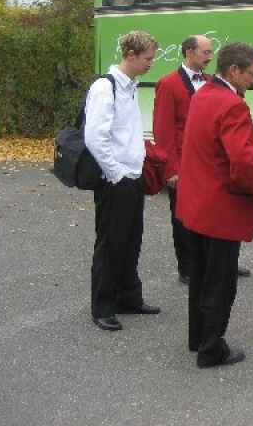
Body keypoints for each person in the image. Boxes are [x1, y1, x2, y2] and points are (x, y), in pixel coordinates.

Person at [177, 42, 253, 368]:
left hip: (196, 203)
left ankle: (198, 337)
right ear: (234, 71)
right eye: (250, 73)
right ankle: (212, 349)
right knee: (220, 282)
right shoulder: (232, 105)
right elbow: (244, 162)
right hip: (221, 208)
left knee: (200, 276)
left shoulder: (202, 95)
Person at [152, 35, 253, 284]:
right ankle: (188, 267)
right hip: (183, 165)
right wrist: (170, 169)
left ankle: (222, 262)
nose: (210, 57)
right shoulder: (168, 83)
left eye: (211, 53)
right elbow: (163, 129)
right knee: (183, 218)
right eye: (205, 52)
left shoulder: (212, 82)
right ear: (189, 52)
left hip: (207, 164)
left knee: (216, 215)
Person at [84, 30, 161, 331]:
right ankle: (103, 306)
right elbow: (95, 137)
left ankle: (129, 297)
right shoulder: (106, 87)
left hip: (132, 176)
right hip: (116, 179)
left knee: (131, 241)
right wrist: (116, 174)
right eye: (147, 58)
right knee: (110, 244)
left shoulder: (130, 86)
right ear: (130, 55)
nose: (151, 63)